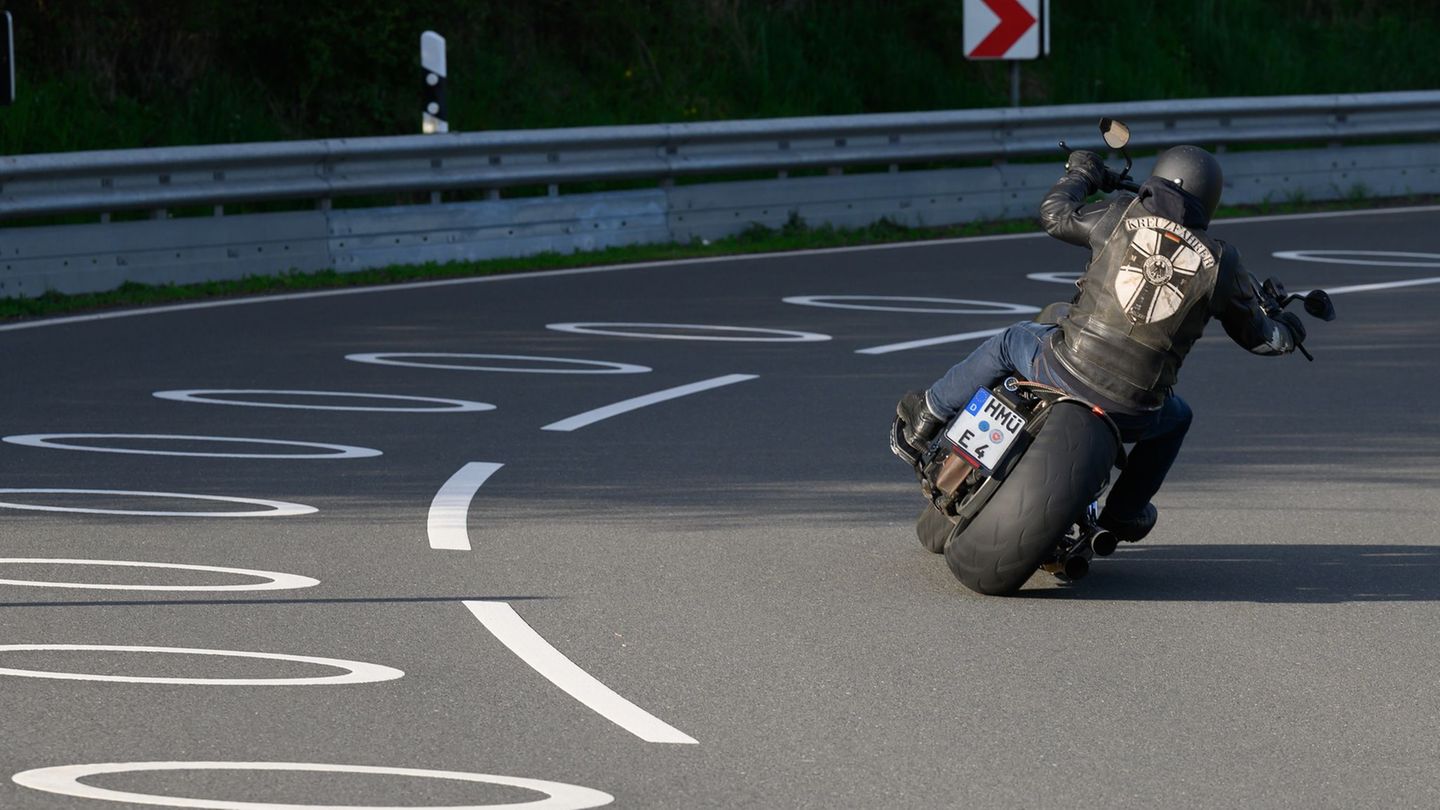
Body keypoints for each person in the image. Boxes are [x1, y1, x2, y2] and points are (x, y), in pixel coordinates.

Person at [893, 144, 1308, 543]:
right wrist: (1290, 329)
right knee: (1177, 420)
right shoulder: (1221, 264)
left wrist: (1082, 174)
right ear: (1210, 200)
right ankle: (1124, 513)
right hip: (1135, 409)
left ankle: (926, 417)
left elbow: (1054, 215)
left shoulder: (1119, 216)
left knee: (1010, 341)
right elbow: (1262, 340)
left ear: (1158, 178)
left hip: (1062, 369)